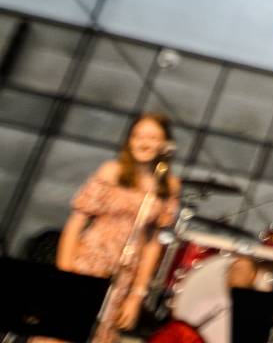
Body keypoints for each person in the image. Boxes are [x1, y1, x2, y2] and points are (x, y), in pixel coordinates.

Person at [56, 111, 181, 342]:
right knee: (64, 333)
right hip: (88, 263)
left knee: (101, 335)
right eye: (138, 136)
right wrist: (65, 275)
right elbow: (75, 224)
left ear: (165, 144)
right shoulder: (111, 171)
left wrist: (137, 295)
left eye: (152, 137)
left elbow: (152, 244)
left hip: (124, 273)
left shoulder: (168, 185)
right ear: (129, 140)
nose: (143, 142)